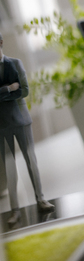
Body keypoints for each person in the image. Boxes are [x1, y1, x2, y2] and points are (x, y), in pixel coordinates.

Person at [0, 32, 55, 225]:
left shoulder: (15, 63)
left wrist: (11, 91)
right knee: (9, 167)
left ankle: (40, 198)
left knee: (31, 161)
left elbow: (24, 90)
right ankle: (15, 210)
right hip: (2, 125)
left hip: (21, 120)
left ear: (1, 42)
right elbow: (15, 90)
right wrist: (8, 89)